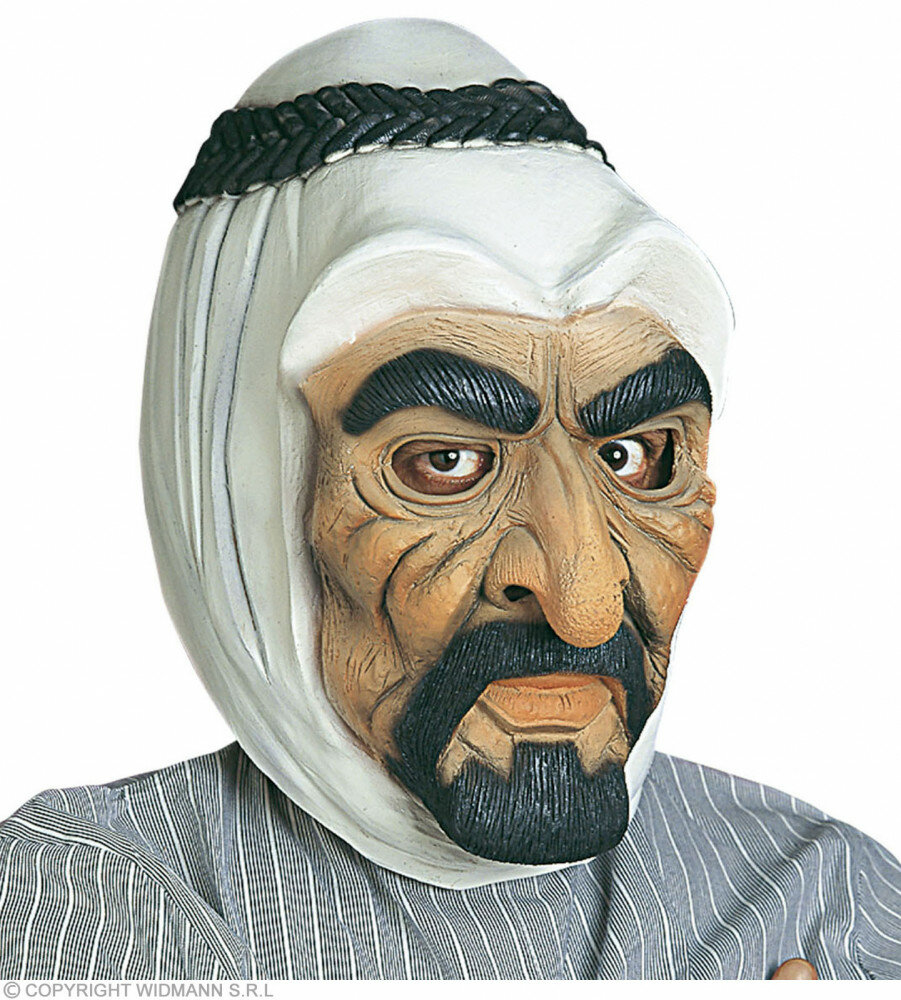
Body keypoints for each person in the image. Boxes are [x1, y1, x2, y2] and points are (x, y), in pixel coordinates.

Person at [1, 19, 898, 980]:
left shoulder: (825, 898)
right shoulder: (102, 893)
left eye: (633, 457)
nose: (583, 600)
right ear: (241, 490)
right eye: (444, 463)